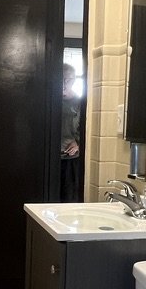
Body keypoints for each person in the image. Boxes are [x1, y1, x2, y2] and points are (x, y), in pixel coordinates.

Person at [60, 63, 81, 201]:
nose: (63, 83)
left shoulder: (81, 102)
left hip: (71, 158)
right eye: (61, 79)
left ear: (72, 80)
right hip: (50, 158)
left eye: (67, 80)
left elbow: (86, 130)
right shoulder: (51, 100)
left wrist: (79, 142)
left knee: (69, 198)